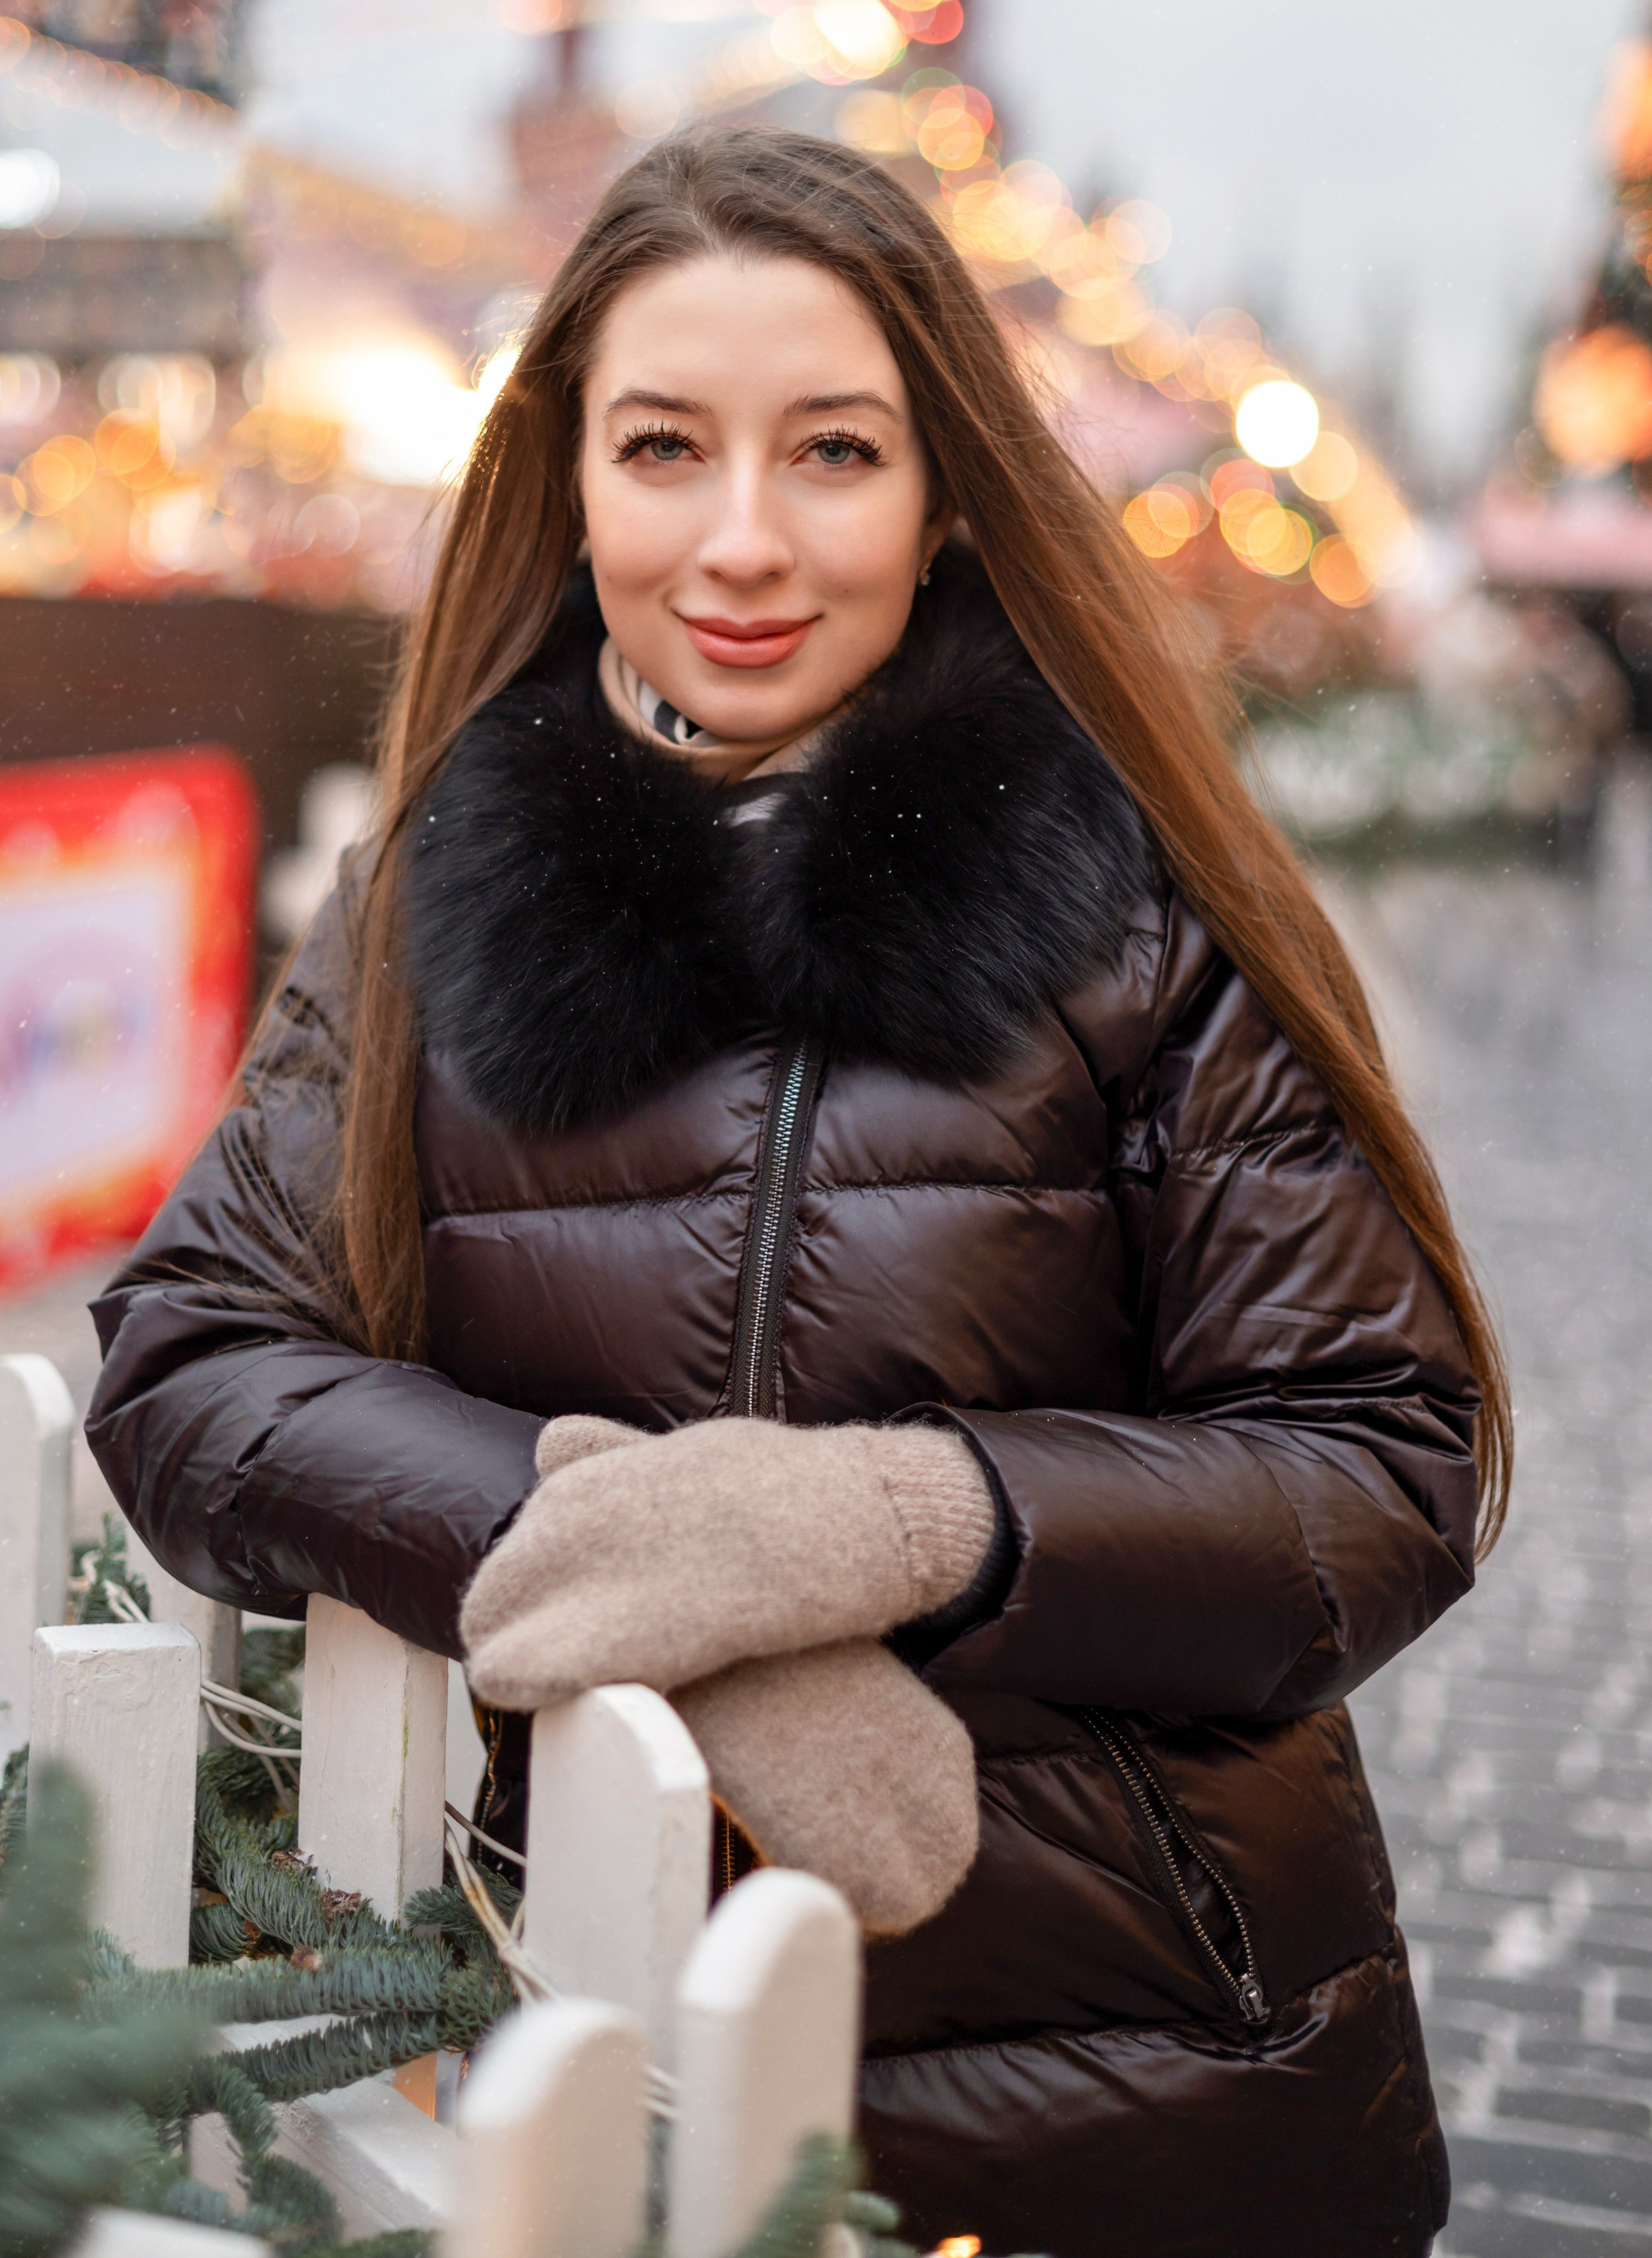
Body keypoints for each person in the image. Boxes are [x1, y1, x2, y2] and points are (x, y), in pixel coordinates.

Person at [88, 129, 1508, 2258]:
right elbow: (192, 1360)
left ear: (945, 494)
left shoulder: (1152, 921)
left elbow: (1379, 1469)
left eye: (834, 451)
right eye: (664, 448)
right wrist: (630, 1553)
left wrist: (899, 1526)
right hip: (552, 2039)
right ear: (571, 480)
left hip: (1133, 2094)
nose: (741, 540)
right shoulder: (418, 917)